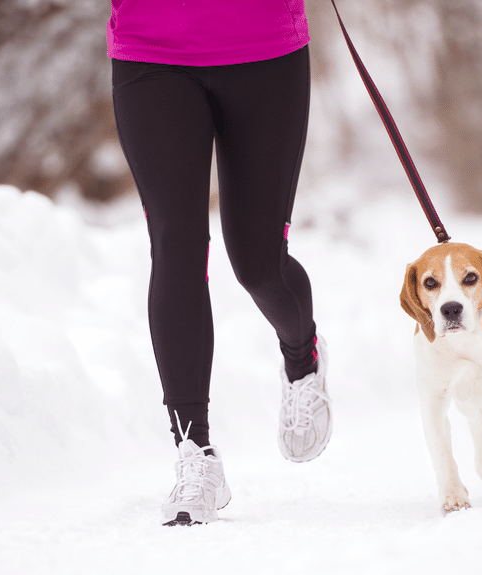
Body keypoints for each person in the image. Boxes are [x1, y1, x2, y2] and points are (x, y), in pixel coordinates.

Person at [107, 0, 332, 525]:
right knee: (175, 244)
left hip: (265, 49)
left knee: (258, 262)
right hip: (151, 51)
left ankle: (303, 359)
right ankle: (195, 453)